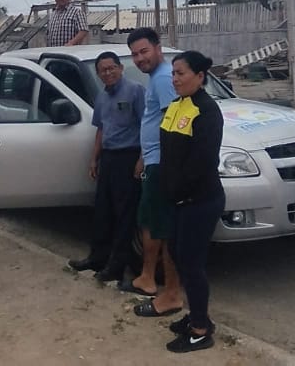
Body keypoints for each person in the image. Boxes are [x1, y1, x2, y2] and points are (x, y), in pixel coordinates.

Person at [159, 50, 226, 353]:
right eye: (173, 73)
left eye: (181, 73)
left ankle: (200, 330)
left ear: (200, 77)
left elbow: (202, 162)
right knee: (177, 254)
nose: (175, 79)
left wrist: (178, 191)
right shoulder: (176, 106)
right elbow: (169, 155)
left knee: (191, 263)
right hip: (178, 200)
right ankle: (197, 315)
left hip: (200, 200)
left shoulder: (207, 111)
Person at [67, 51, 146, 283]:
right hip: (109, 158)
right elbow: (101, 129)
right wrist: (94, 159)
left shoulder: (135, 91)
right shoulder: (102, 96)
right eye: (103, 70)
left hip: (128, 157)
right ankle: (97, 257)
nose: (108, 73)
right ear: (99, 74)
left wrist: (142, 159)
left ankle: (117, 267)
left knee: (124, 214)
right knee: (103, 210)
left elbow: (147, 126)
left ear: (120, 68)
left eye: (112, 68)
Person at [127, 27, 184, 317]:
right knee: (151, 221)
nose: (139, 59)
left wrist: (161, 165)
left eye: (144, 51)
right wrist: (143, 157)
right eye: (135, 54)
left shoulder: (163, 79)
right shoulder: (158, 77)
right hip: (153, 160)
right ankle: (146, 276)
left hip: (162, 164)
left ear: (158, 48)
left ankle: (161, 287)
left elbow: (170, 125)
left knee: (159, 225)